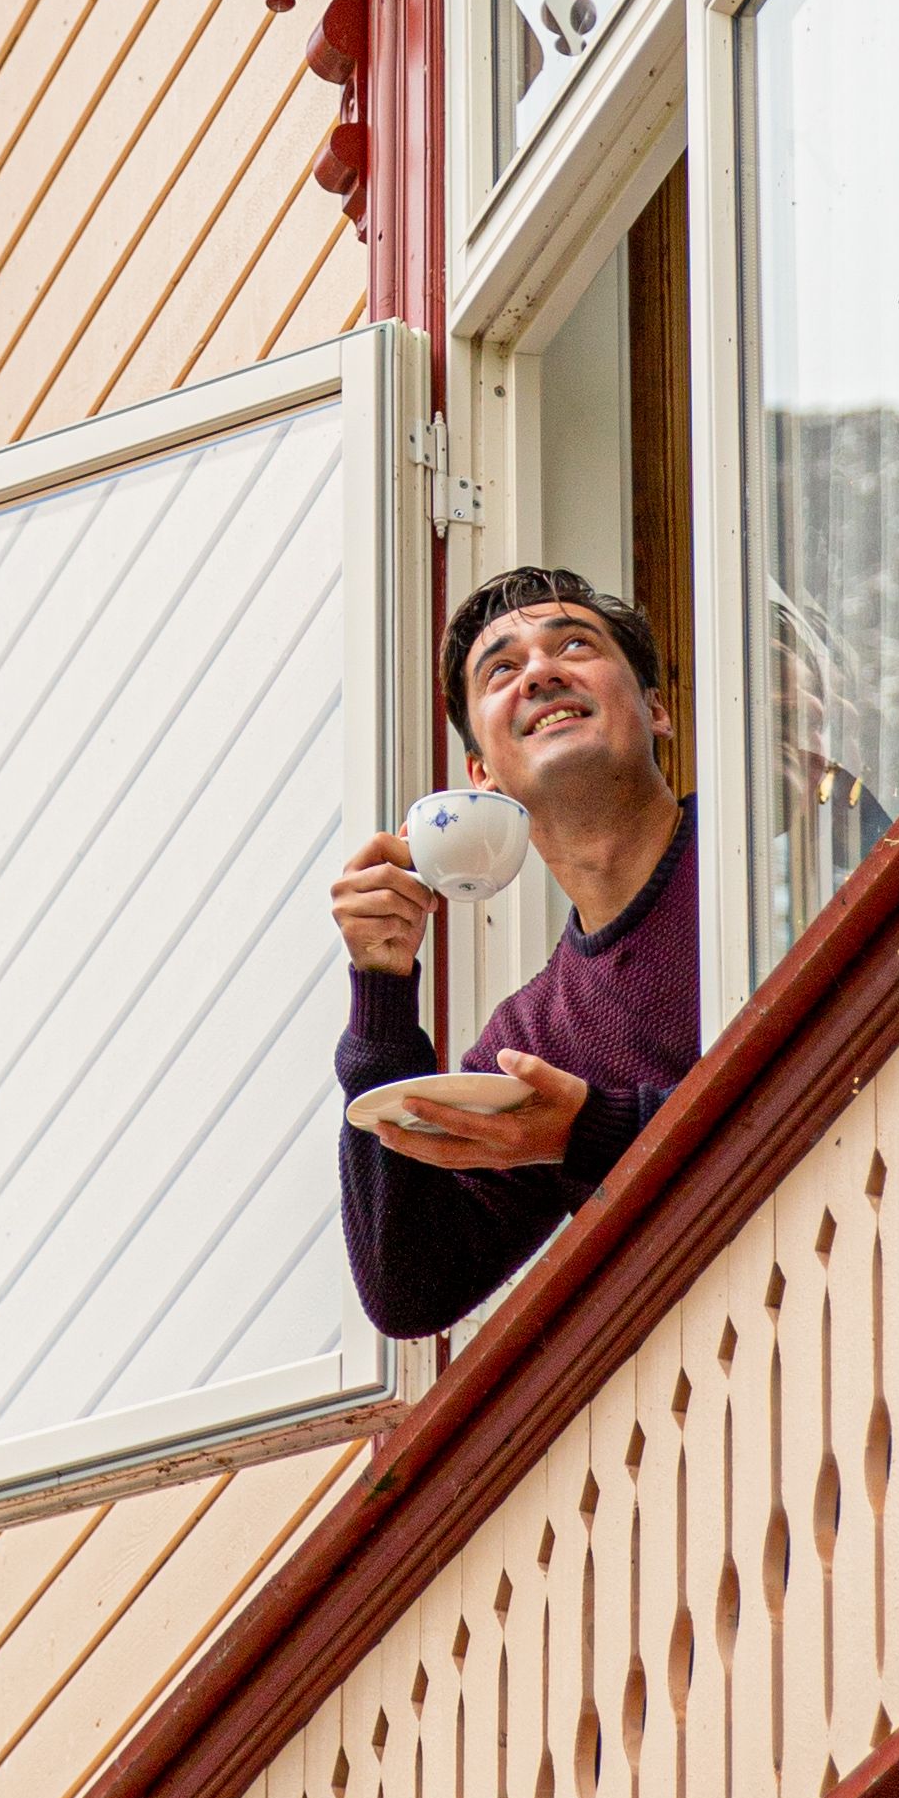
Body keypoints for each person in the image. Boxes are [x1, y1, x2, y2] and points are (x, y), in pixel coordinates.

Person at [333, 564, 698, 1337]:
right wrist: (381, 990)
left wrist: (585, 1134)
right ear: (482, 777)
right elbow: (409, 1287)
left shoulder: (771, 860)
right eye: (501, 670)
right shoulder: (532, 1042)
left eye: (575, 645)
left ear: (656, 709)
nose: (539, 673)